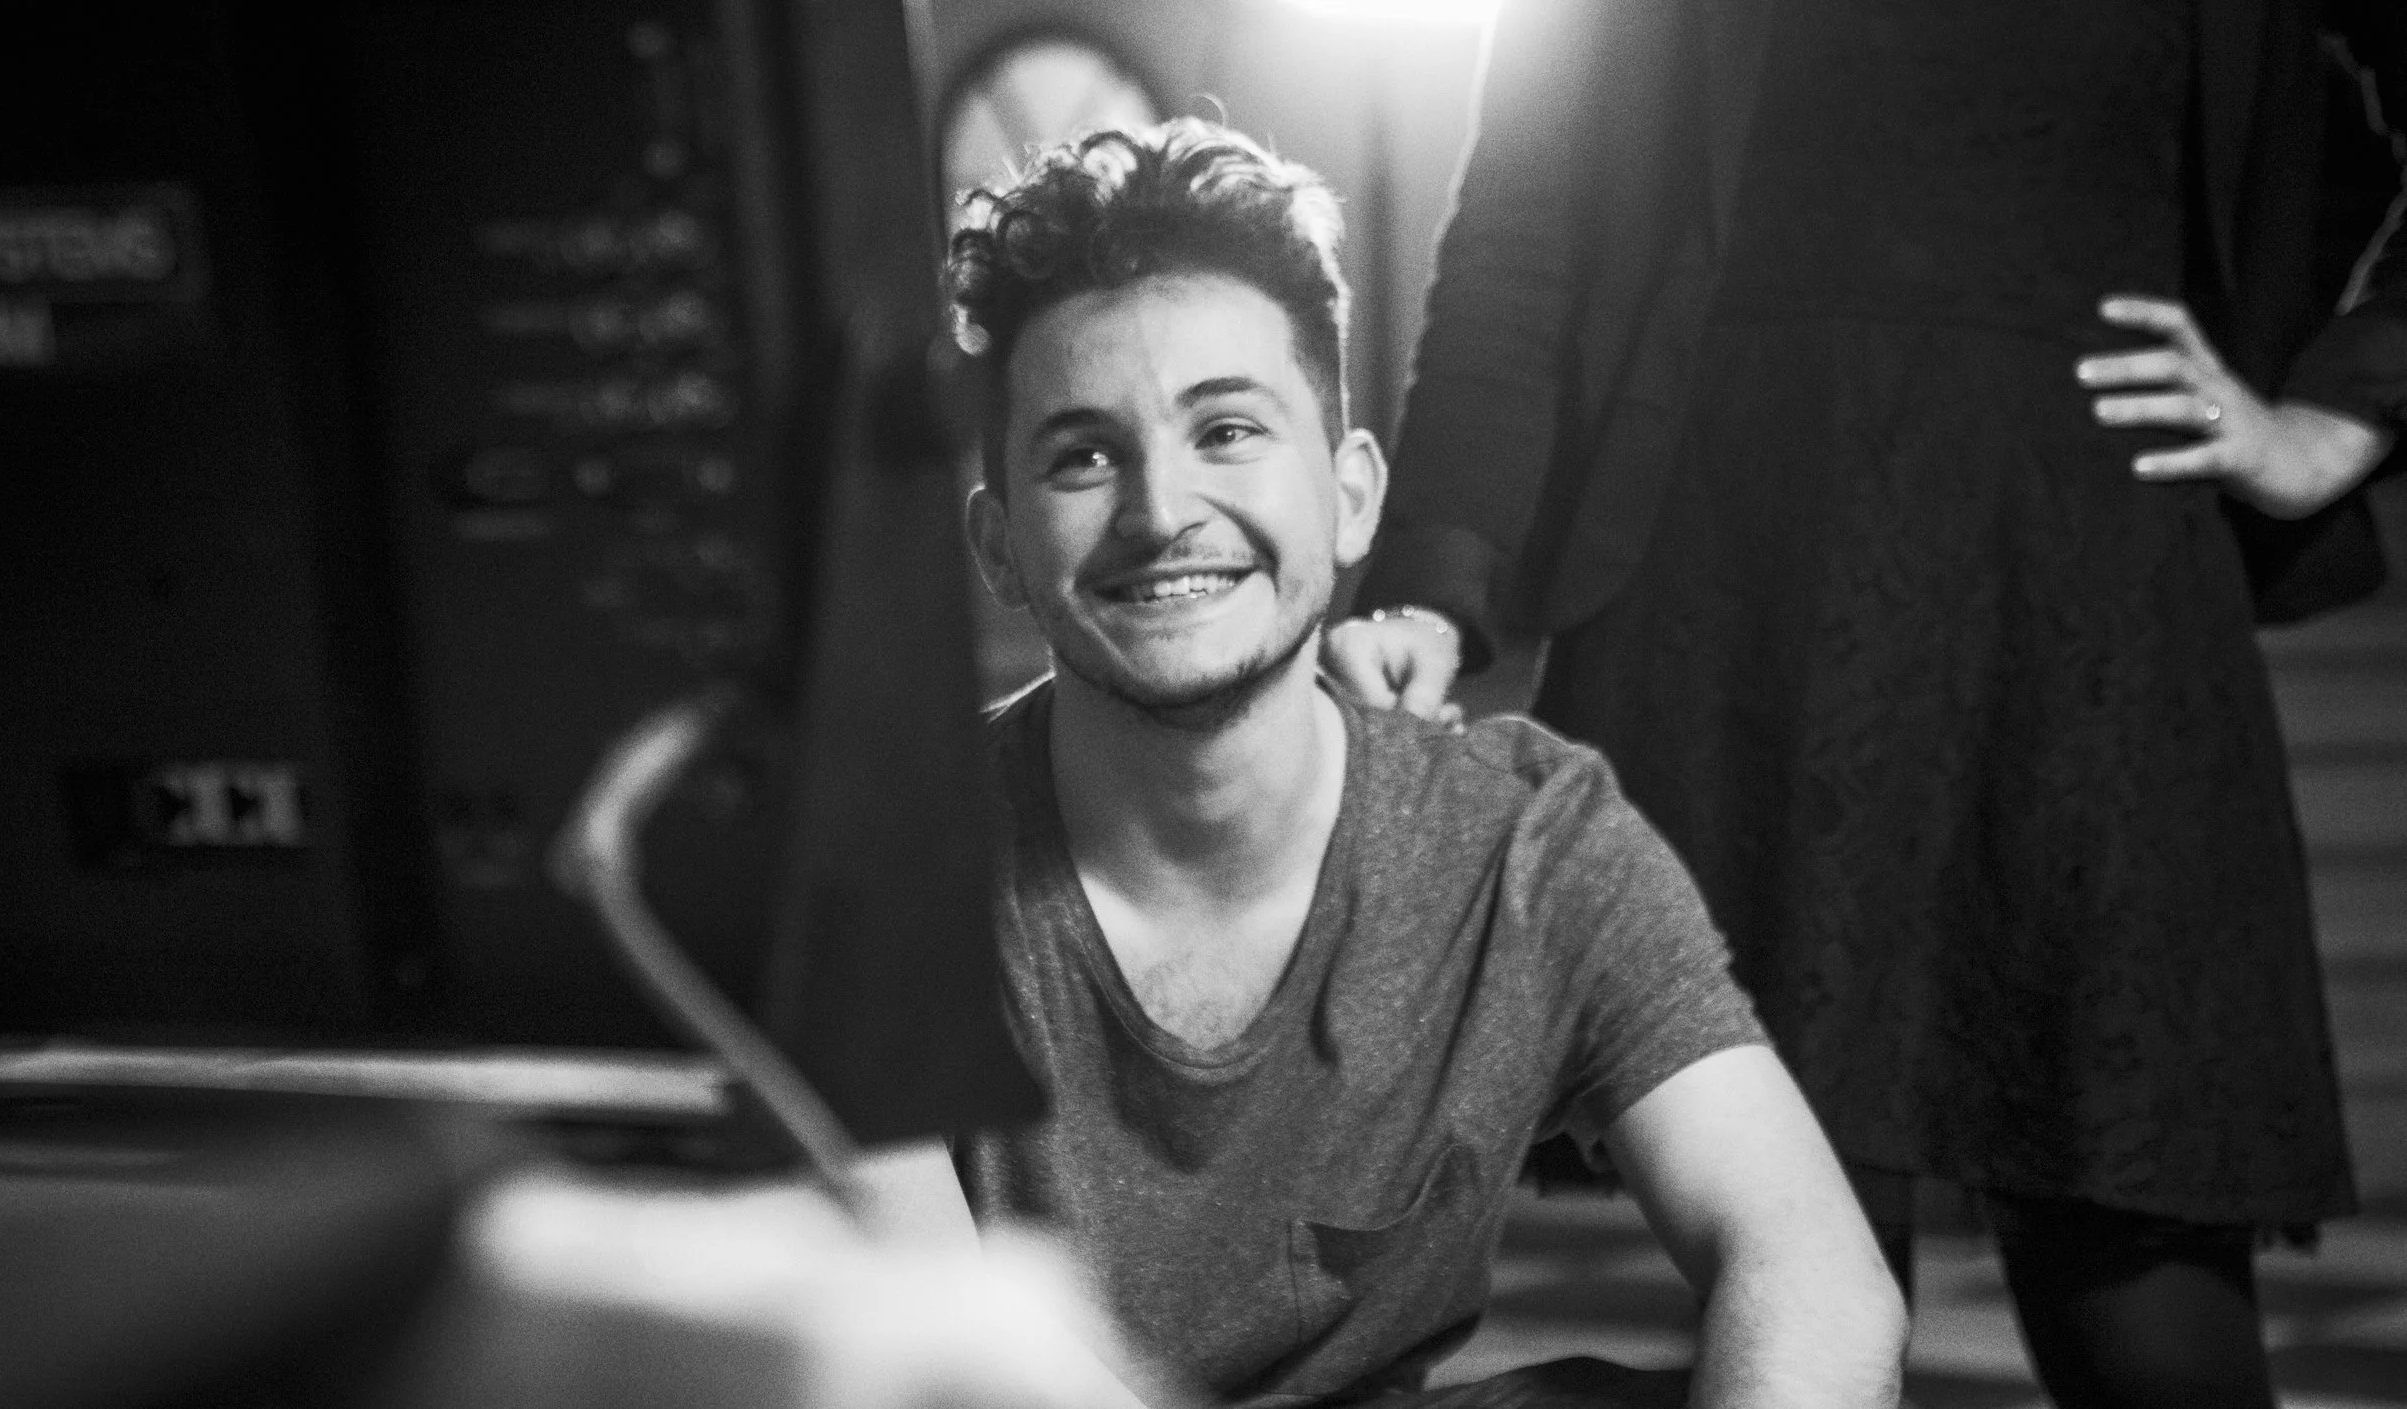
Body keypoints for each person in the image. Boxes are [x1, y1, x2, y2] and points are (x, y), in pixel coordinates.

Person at [1328, 3, 2407, 1406]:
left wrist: (2339, 414)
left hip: (2093, 599)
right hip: (1747, 595)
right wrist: (1431, 585)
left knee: (2153, 1312)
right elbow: (1527, 231)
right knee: (1815, 1297)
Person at [928, 118, 1907, 1408]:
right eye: (1085, 455)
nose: (1162, 513)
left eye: (1227, 431)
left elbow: (1811, 1267)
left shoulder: (1526, 842)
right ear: (999, 544)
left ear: (1350, 496)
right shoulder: (895, 869)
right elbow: (936, 1363)